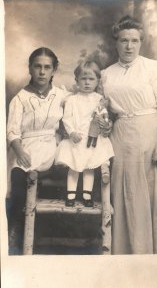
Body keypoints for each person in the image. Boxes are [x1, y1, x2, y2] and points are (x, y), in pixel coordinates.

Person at [101, 15, 157, 254]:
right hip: (121, 140)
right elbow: (106, 111)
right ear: (115, 42)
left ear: (141, 42)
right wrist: (105, 124)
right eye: (124, 40)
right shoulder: (107, 74)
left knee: (155, 199)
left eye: (135, 41)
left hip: (154, 137)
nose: (129, 46)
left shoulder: (154, 68)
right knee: (127, 198)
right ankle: (129, 260)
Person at [7, 47, 70, 255]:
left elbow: (80, 109)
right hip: (26, 146)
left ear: (54, 70)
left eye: (47, 67)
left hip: (52, 143)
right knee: (18, 173)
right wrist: (20, 151)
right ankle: (15, 230)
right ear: (30, 69)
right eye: (37, 67)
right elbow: (13, 132)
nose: (42, 72)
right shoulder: (20, 98)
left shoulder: (61, 95)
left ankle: (51, 236)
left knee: (64, 163)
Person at [55, 61, 114, 207]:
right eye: (83, 79)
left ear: (97, 81)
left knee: (89, 166)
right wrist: (72, 132)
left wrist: (105, 123)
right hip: (77, 138)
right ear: (77, 81)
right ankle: (71, 195)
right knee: (74, 166)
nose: (87, 82)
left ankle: (87, 195)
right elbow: (67, 118)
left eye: (91, 79)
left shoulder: (99, 100)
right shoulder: (72, 100)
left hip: (93, 139)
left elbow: (103, 116)